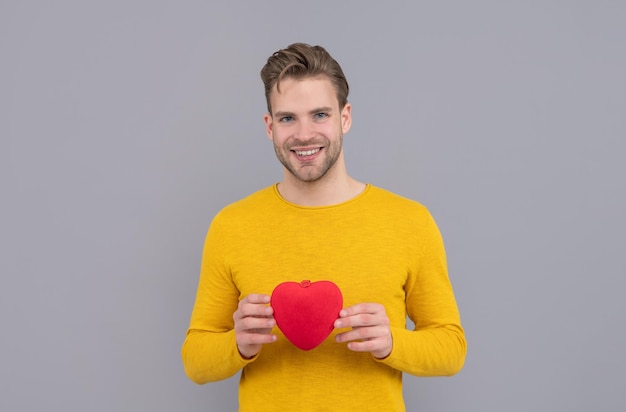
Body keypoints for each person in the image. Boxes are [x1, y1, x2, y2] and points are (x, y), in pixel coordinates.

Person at [182, 43, 466, 411]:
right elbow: (195, 360)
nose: (303, 134)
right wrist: (237, 342)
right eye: (287, 118)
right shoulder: (231, 225)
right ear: (269, 127)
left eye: (319, 115)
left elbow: (452, 348)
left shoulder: (409, 221)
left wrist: (392, 342)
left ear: (345, 118)